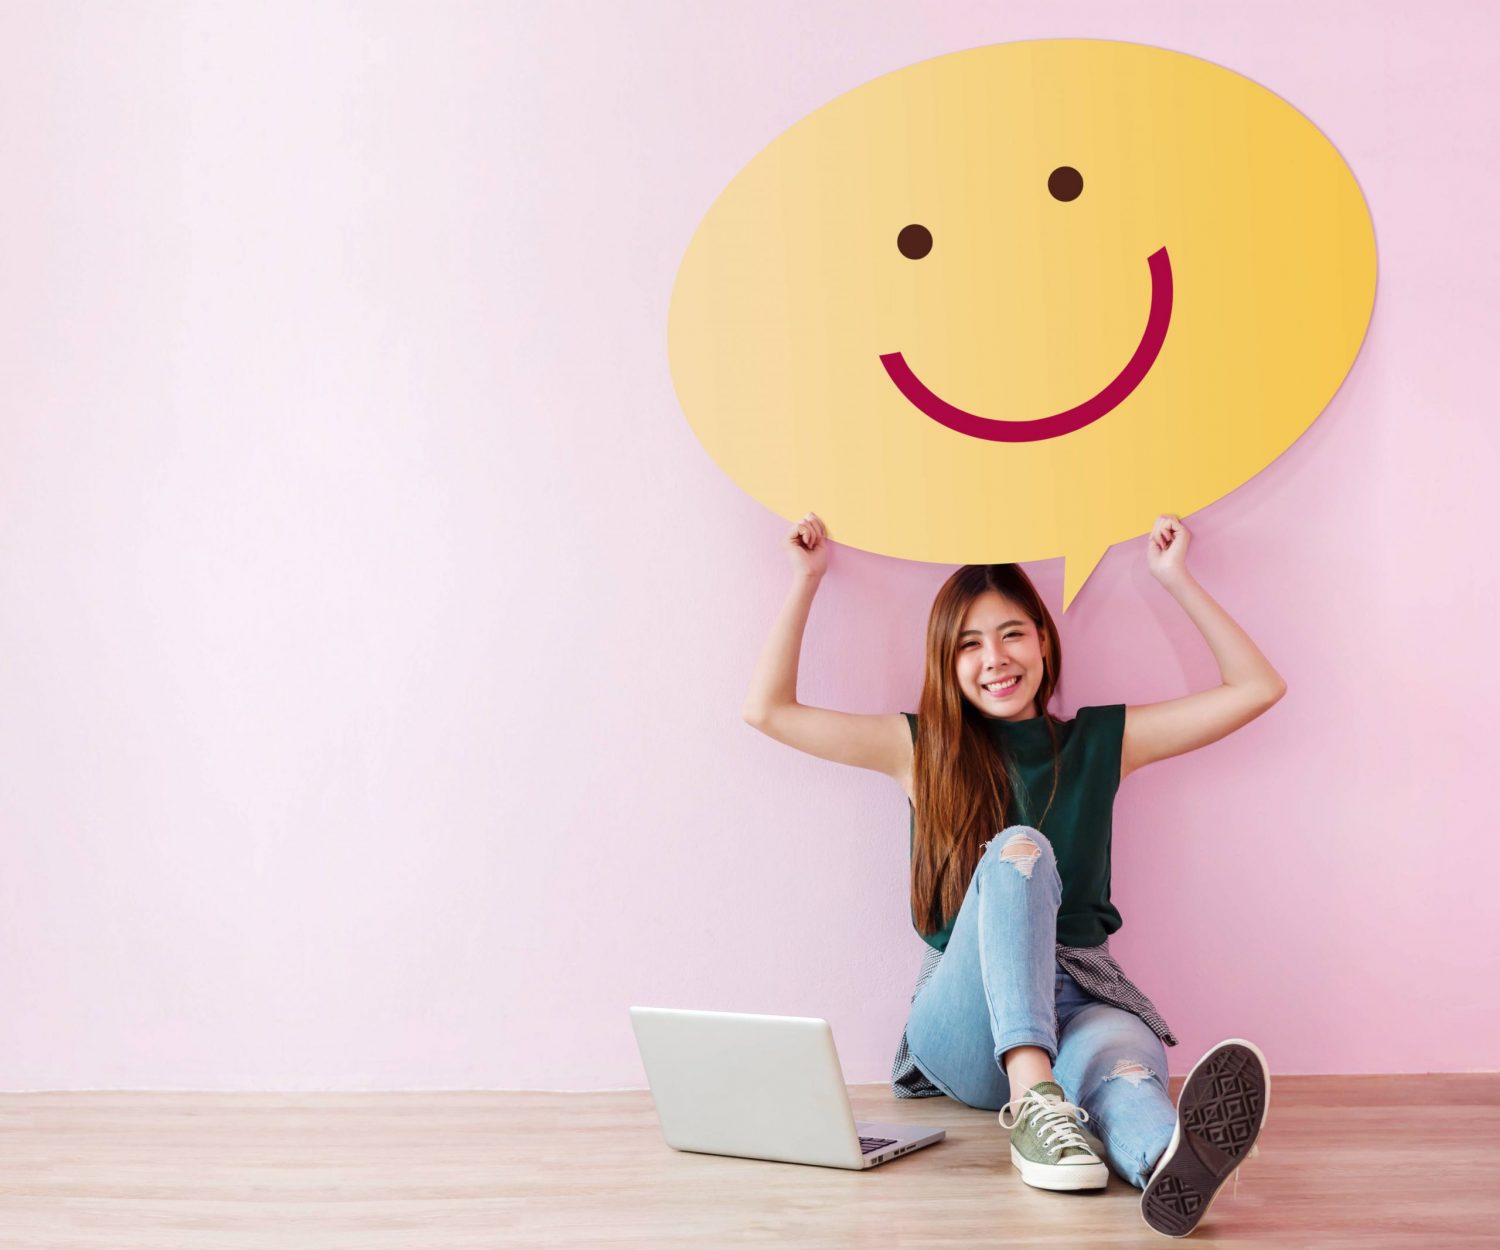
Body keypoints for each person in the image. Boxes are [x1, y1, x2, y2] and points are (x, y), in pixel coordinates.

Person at [741, 511, 1279, 1238]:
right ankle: (1035, 1104)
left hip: (1082, 996)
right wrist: (805, 580)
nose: (994, 658)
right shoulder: (918, 748)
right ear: (946, 661)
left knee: (1124, 1073)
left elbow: (1256, 687)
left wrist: (1173, 578)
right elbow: (767, 710)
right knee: (1020, 850)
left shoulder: (1101, 742)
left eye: (1012, 634)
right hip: (963, 1018)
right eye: (969, 645)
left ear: (1044, 643)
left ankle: (1167, 1159)